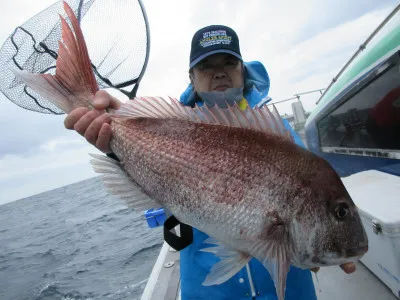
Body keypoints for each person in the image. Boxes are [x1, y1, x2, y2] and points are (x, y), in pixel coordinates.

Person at [64, 24, 356, 300]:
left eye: (228, 63)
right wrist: (115, 145)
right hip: (209, 292)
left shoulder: (281, 135)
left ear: (243, 70)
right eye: (207, 66)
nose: (219, 74)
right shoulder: (172, 127)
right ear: (191, 77)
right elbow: (152, 195)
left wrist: (323, 242)